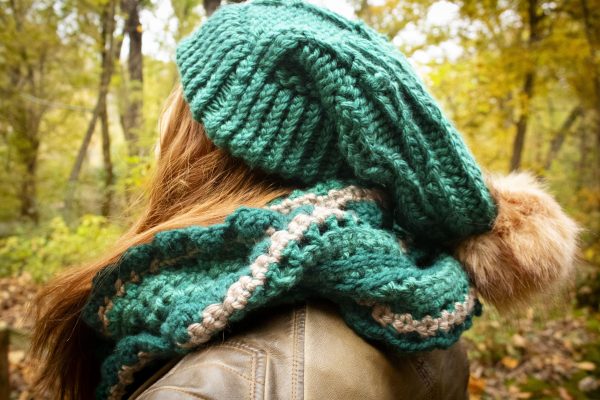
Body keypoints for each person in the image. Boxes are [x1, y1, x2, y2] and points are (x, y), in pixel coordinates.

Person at [31, 1, 578, 399]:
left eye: (181, 111)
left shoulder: (223, 384)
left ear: (209, 148)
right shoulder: (418, 302)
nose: (160, 134)